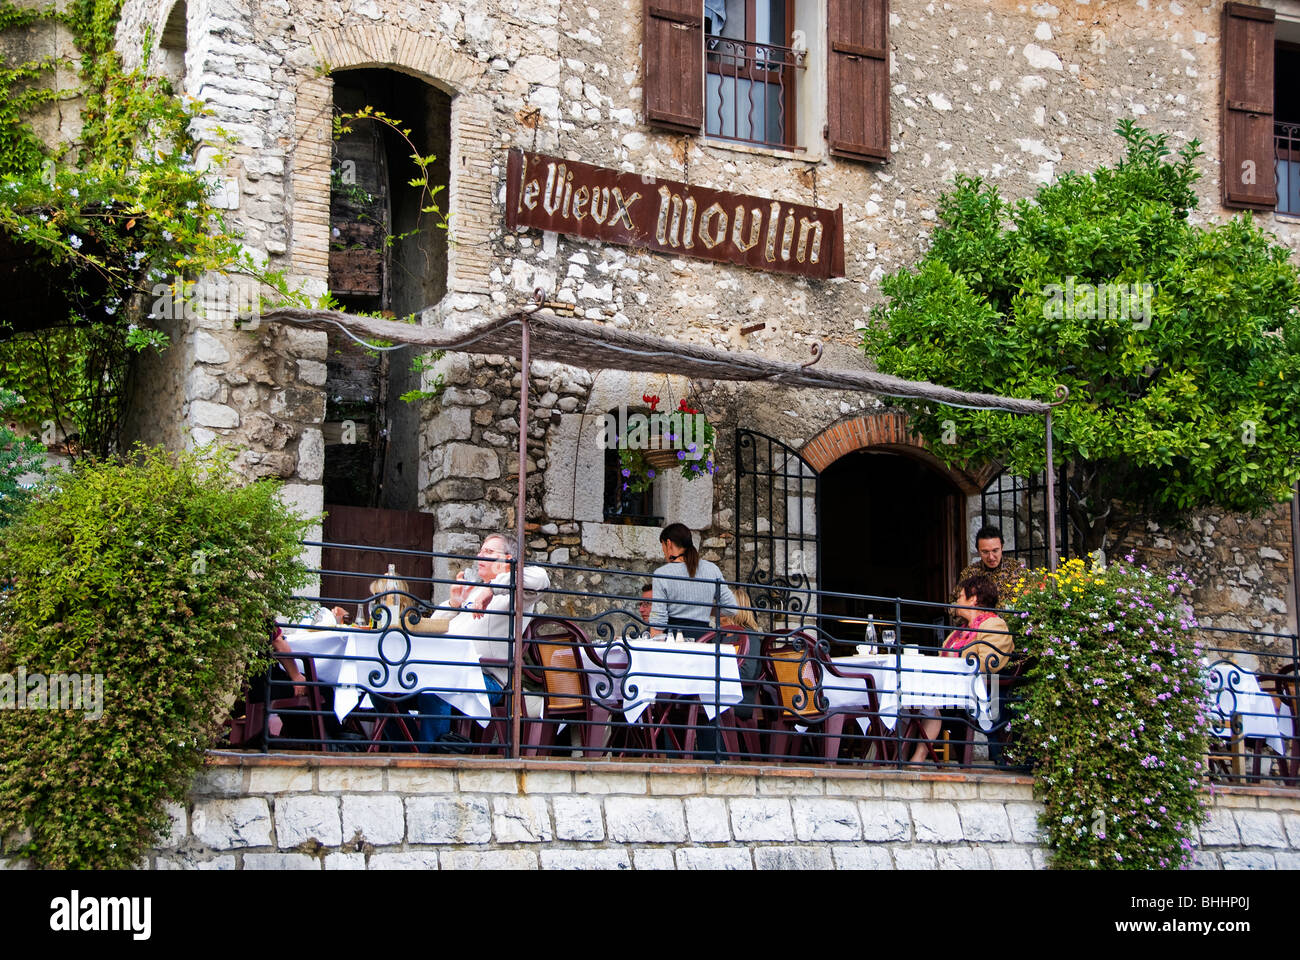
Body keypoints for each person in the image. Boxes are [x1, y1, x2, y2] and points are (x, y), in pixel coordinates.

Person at [416, 534, 550, 749]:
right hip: (447, 668)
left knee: (436, 685)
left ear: (507, 560)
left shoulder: (517, 593)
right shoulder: (474, 591)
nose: (480, 556)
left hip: (486, 677)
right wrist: (454, 603)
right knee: (385, 688)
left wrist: (491, 588)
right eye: (480, 551)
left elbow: (541, 578)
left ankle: (433, 756)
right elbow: (433, 628)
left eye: (489, 552)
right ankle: (405, 750)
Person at [909, 574, 1013, 763]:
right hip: (952, 686)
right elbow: (943, 659)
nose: (956, 602)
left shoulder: (994, 624)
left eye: (960, 596)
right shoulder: (960, 631)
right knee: (908, 700)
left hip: (978, 691)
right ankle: (896, 756)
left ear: (973, 598)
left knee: (926, 704)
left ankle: (916, 758)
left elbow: (988, 662)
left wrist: (954, 663)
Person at [650, 523, 736, 638]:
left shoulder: (662, 574)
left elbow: (658, 621)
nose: (664, 553)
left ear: (668, 544)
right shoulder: (712, 570)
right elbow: (731, 609)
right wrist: (704, 608)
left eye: (663, 547)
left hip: (675, 641)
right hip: (704, 640)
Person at [953, 524, 1025, 607]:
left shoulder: (1017, 569)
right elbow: (954, 604)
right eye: (985, 552)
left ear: (1002, 547)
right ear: (978, 551)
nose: (991, 557)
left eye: (995, 551)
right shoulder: (969, 573)